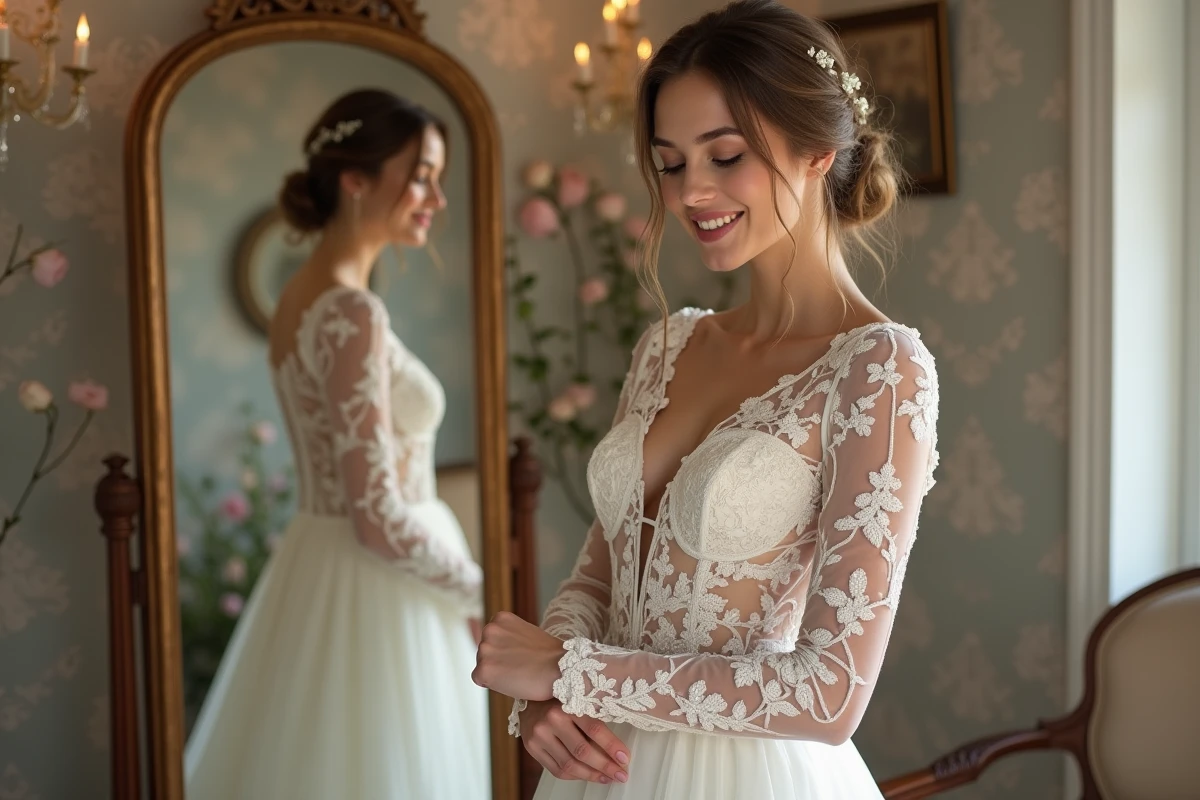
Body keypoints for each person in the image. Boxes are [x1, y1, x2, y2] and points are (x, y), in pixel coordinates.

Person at [472, 2, 941, 798]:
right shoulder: (668, 345)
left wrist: (573, 671)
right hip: (600, 771)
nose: (692, 191)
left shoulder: (878, 371)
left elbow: (829, 693)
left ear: (818, 153)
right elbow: (599, 575)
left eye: (725, 156)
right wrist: (548, 692)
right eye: (671, 161)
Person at [185, 88, 489, 799]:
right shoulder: (352, 310)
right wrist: (482, 587)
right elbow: (376, 512)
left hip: (326, 562)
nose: (436, 198)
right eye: (420, 175)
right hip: (380, 583)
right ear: (356, 180)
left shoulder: (303, 295)